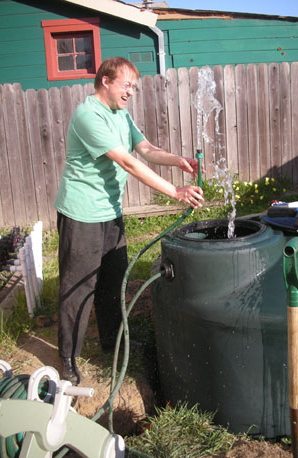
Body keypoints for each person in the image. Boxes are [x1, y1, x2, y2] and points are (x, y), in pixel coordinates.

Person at [54, 57, 204, 385]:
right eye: (126, 85)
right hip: (81, 215)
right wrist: (176, 192)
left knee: (113, 281)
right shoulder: (87, 115)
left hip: (110, 212)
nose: (131, 92)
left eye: (134, 87)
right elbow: (128, 162)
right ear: (105, 81)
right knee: (79, 287)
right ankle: (67, 357)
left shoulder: (121, 115)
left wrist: (177, 161)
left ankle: (111, 341)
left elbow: (145, 150)